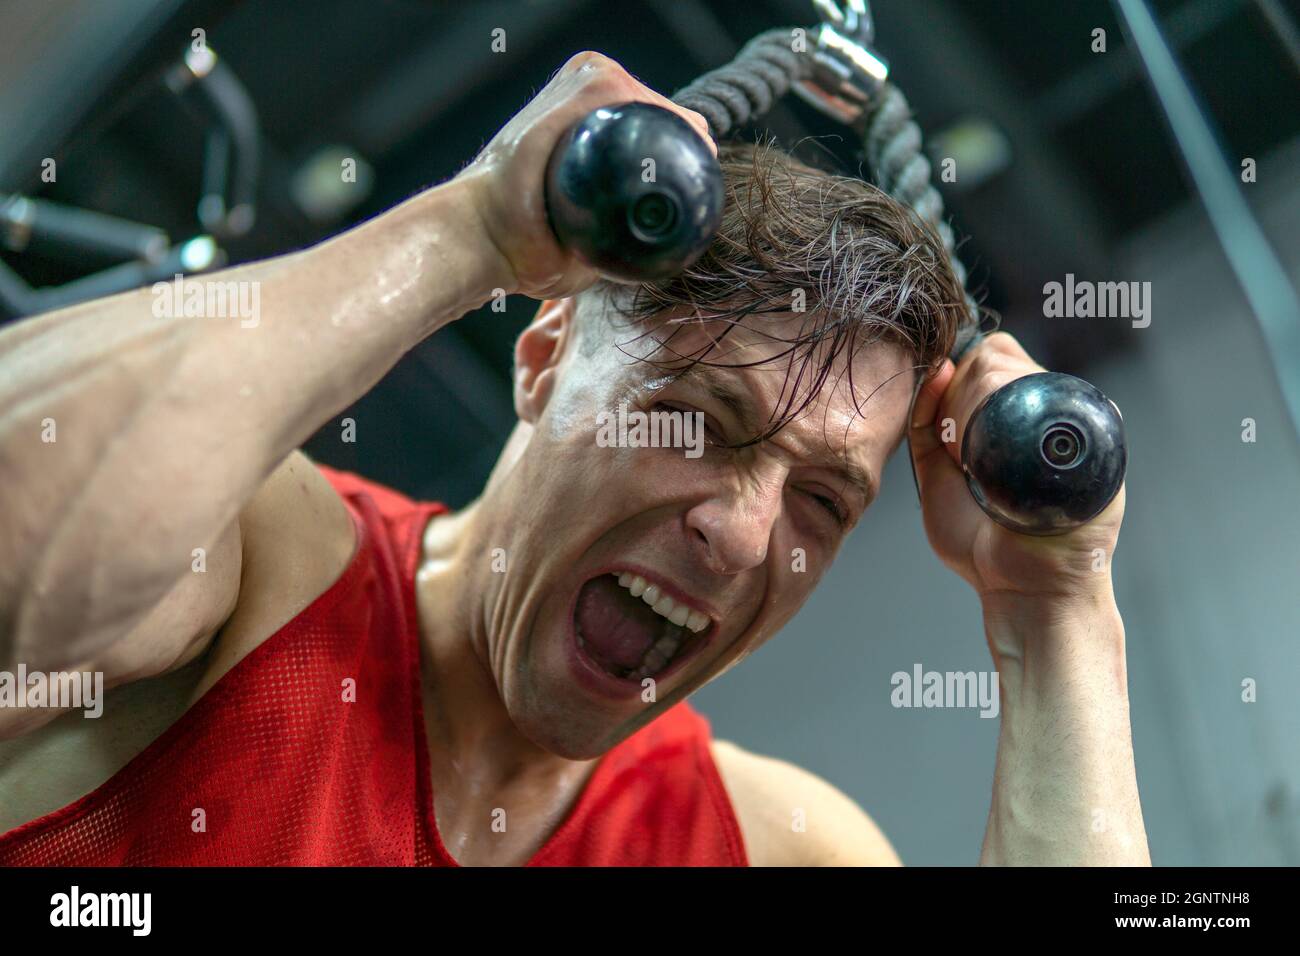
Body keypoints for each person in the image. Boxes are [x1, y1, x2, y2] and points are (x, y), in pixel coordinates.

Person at [0, 52, 1148, 866]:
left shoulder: (774, 847)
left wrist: (1055, 610)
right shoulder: (251, 567)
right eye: (696, 421)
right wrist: (474, 230)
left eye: (820, 499)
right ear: (544, 356)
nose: (744, 532)